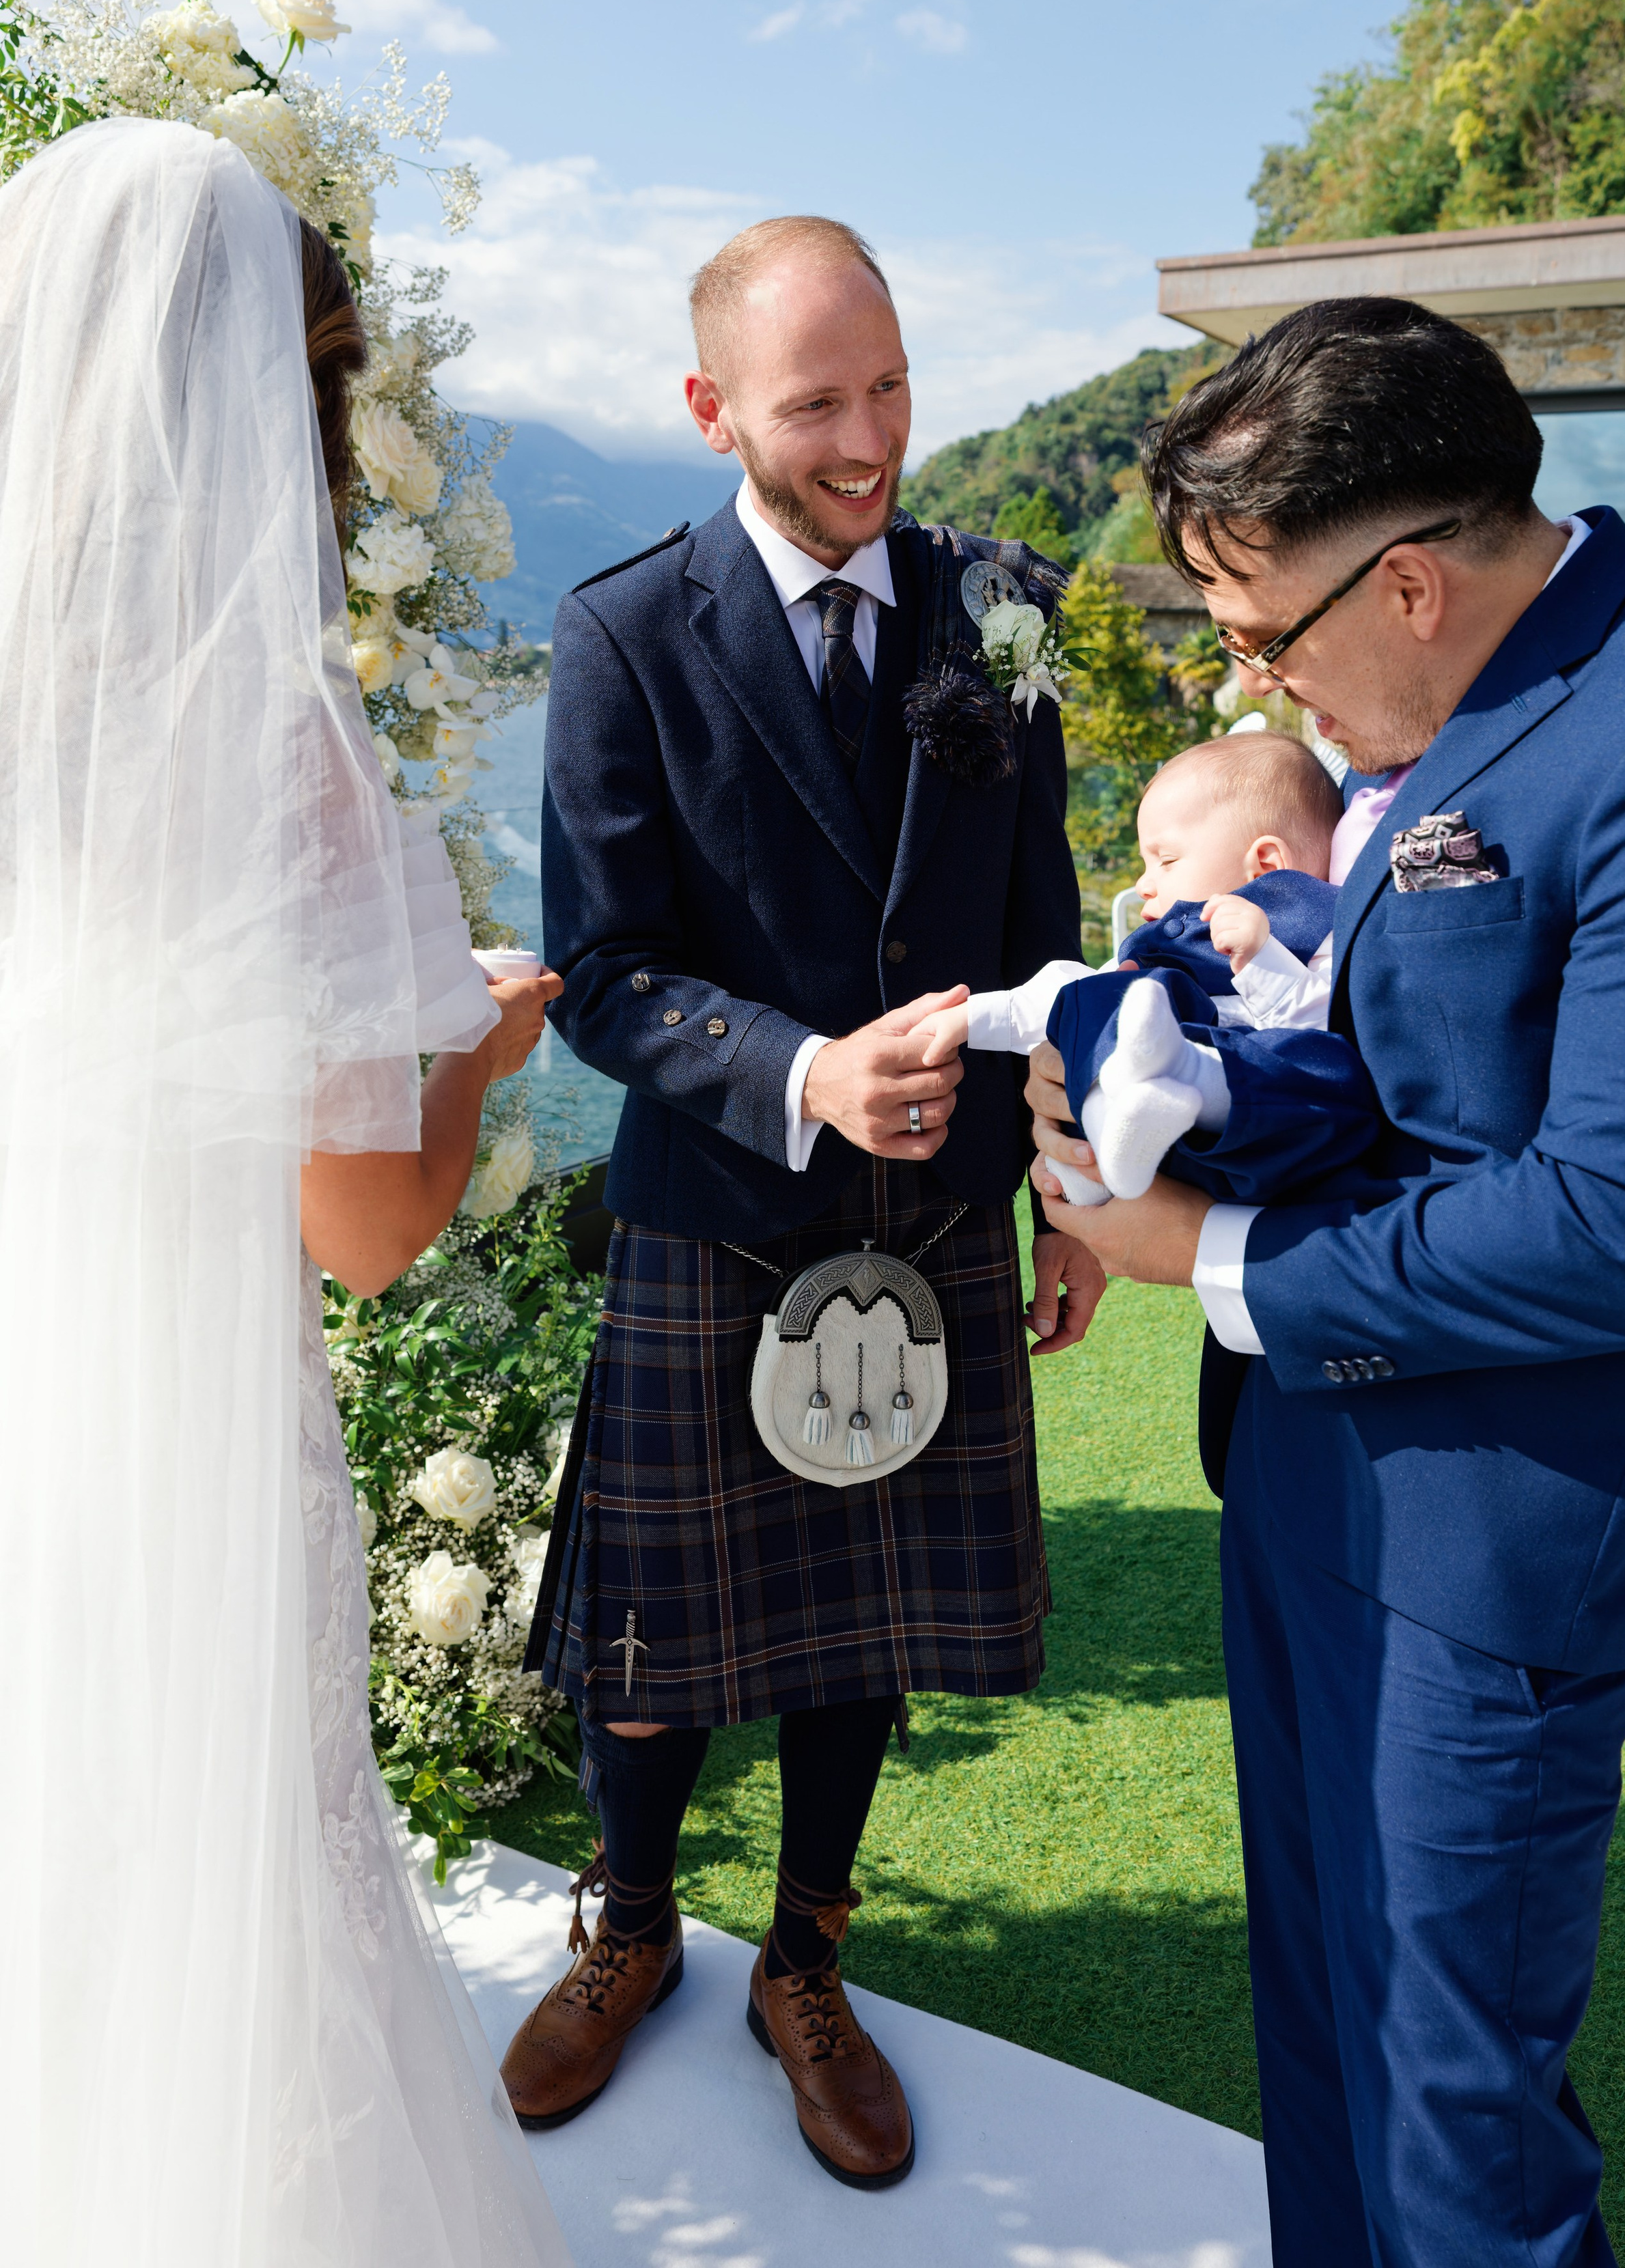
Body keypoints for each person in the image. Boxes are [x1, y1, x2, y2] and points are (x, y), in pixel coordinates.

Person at [1032, 296, 1625, 2267]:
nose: (1258, 697)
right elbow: (1380, 1053)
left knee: (1461, 2127)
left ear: (1413, 583)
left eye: (1266, 642)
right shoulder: (1437, 703)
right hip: (1309, 1476)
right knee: (1332, 2036)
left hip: (1497, 1538)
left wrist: (1217, 1251)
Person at [0, 117, 568, 2268]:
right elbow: (360, 1231)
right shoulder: (276, 752)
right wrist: (478, 1052)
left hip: (20, 1417)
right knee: (223, 1888)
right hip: (194, 1452)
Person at [510, 215, 1107, 2187]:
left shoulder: (1002, 603)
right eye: (817, 403)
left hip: (936, 1226)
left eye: (892, 385)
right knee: (661, 1646)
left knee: (864, 1633)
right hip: (719, 1210)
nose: (870, 440)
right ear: (711, 415)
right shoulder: (620, 629)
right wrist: (802, 1070)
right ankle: (630, 1923)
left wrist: (1063, 1199)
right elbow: (598, 969)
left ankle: (806, 1958)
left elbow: (1046, 939)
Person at [921, 729, 1374, 1206]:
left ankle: (1129, 1119)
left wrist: (1263, 961)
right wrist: (973, 1018)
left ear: (1263, 866)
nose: (1143, 883)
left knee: (1321, 1066)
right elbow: (1061, 995)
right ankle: (1102, 1136)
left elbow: (1326, 1035)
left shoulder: (1324, 925)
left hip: (1261, 1133)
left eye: (1167, 860)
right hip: (1161, 1137)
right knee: (1093, 994)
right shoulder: (1158, 947)